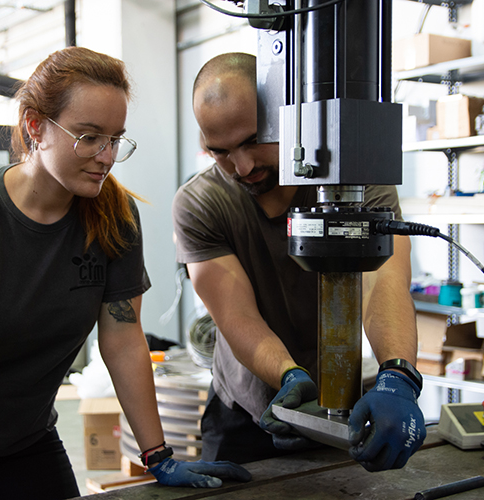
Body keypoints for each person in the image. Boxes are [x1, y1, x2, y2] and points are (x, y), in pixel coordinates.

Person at [0, 46, 251, 500]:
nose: (106, 156)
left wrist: (157, 455)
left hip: (26, 441)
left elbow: (123, 341)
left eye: (115, 138)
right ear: (34, 126)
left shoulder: (114, 215)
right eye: (88, 137)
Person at [172, 52, 426, 472]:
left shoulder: (357, 183)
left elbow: (384, 282)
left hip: (344, 403)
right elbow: (237, 317)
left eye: (253, 141)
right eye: (221, 152)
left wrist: (397, 374)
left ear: (289, 119)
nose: (243, 166)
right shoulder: (200, 203)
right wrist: (288, 375)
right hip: (246, 412)